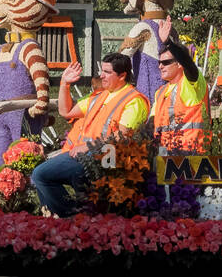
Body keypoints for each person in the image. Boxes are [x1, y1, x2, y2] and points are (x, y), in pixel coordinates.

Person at [30, 53, 149, 217]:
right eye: (102, 70)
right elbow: (66, 111)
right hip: (85, 155)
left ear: (122, 76)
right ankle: (63, 216)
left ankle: (68, 217)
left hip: (108, 158)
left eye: (107, 72)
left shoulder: (134, 100)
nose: (101, 75)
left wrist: (87, 146)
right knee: (40, 175)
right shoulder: (100, 96)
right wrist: (64, 84)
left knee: (43, 175)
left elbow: (122, 136)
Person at [152, 33, 210, 153]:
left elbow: (189, 65)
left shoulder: (191, 83)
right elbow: (152, 124)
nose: (160, 66)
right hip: (165, 155)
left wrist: (169, 43)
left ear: (179, 64)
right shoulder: (160, 92)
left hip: (192, 154)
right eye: (159, 62)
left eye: (166, 62)